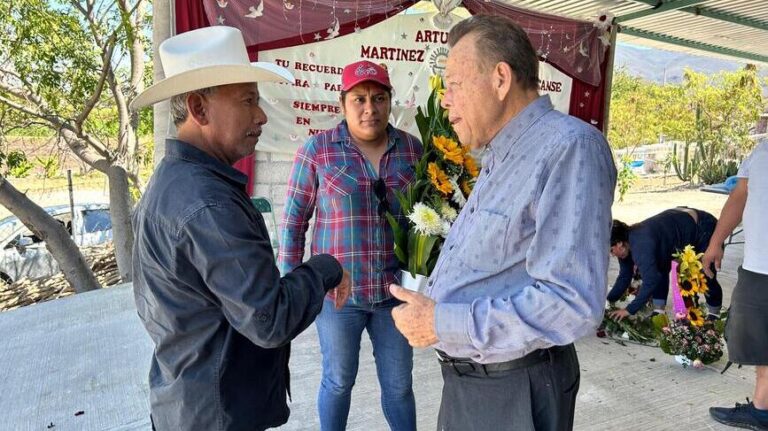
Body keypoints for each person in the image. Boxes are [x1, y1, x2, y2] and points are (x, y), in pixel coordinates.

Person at [387, 15, 616, 431]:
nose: (445, 100)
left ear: (500, 79)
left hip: (515, 388)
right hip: (476, 383)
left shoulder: (569, 148)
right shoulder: (499, 154)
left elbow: (571, 303)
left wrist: (441, 322)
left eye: (453, 84)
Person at [130, 26, 350, 431]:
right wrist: (325, 267)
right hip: (219, 413)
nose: (261, 114)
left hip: (191, 404)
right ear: (199, 109)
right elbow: (269, 320)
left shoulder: (173, 183)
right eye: (248, 100)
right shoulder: (208, 204)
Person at [278, 60, 422, 430]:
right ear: (343, 104)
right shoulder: (318, 151)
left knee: (399, 386)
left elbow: (428, 221)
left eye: (378, 98)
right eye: (359, 98)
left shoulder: (412, 151)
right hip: (337, 299)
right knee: (339, 381)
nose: (369, 108)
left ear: (391, 102)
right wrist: (292, 288)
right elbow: (294, 223)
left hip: (396, 295)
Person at [705, 140, 768, 430]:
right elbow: (739, 196)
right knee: (757, 341)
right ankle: (762, 410)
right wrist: (715, 242)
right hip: (758, 266)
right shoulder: (761, 152)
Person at [606, 207, 724, 321]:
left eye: (611, 250)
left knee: (705, 274)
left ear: (619, 244)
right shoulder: (625, 245)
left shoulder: (640, 244)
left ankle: (714, 312)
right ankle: (659, 311)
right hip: (679, 221)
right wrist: (607, 301)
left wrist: (629, 310)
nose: (612, 255)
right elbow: (624, 276)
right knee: (659, 266)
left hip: (703, 228)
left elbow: (651, 280)